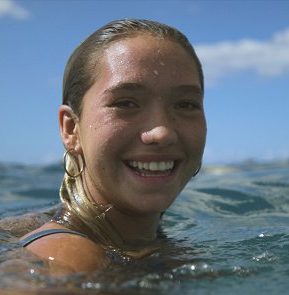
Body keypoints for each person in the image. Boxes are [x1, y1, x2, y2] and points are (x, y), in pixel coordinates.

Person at [20, 19, 206, 273]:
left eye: (186, 104)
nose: (162, 132)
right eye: (126, 103)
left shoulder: (143, 247)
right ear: (71, 129)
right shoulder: (67, 261)